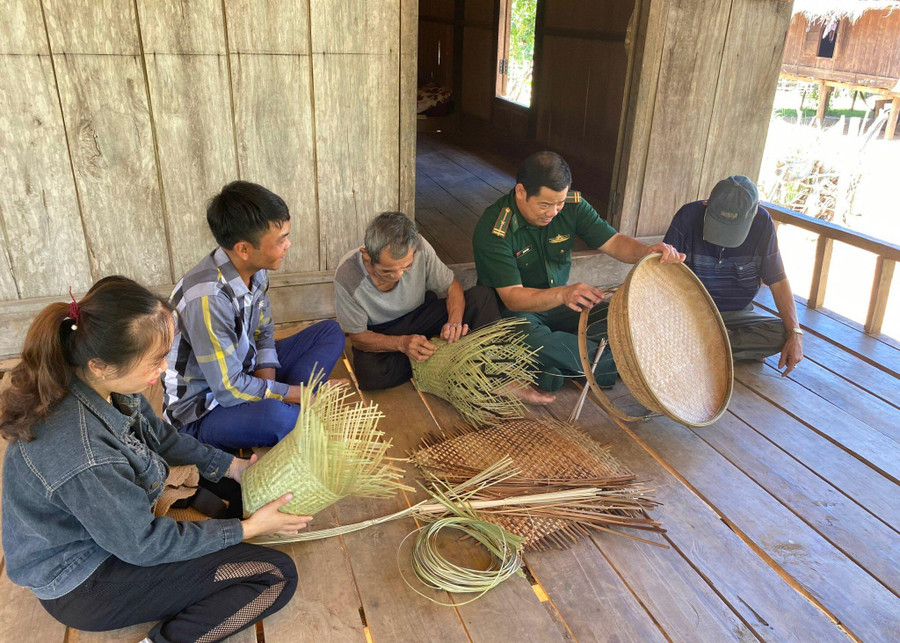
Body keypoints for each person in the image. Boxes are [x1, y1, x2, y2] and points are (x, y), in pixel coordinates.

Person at [0, 276, 309, 643]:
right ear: (101, 364)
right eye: (155, 361)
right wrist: (247, 530)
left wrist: (234, 468)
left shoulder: (95, 381)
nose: (163, 369)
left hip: (112, 530)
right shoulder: (85, 453)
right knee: (274, 575)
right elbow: (143, 544)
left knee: (235, 488)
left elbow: (159, 437)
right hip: (84, 580)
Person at [473, 151, 685, 396]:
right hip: (515, 316)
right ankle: (630, 363)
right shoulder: (495, 228)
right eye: (544, 204)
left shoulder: (572, 206)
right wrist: (564, 293)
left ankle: (557, 365)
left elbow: (614, 242)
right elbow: (512, 297)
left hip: (561, 307)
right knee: (531, 341)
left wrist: (647, 251)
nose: (553, 212)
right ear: (521, 191)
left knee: (619, 316)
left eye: (559, 203)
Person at [163, 181, 346, 450]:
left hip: (244, 372)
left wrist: (273, 388)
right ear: (243, 249)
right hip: (204, 408)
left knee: (330, 333)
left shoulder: (256, 270)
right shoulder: (208, 298)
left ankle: (285, 405)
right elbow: (228, 389)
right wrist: (298, 394)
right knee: (280, 419)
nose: (289, 244)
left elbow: (263, 332)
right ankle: (289, 407)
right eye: (281, 239)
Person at [334, 211, 529, 396]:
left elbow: (452, 287)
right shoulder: (348, 275)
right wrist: (402, 343)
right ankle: (445, 357)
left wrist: (454, 322)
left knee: (483, 297)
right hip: (383, 330)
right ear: (367, 255)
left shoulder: (419, 246)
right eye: (387, 271)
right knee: (370, 375)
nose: (398, 276)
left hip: (420, 314)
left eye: (407, 267)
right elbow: (358, 337)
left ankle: (496, 374)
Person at [663, 175, 803, 376]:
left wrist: (796, 333)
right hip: (689, 313)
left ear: (754, 214)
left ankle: (694, 347)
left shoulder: (763, 223)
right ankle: (722, 348)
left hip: (737, 314)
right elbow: (662, 273)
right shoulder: (688, 216)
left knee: (783, 334)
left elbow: (778, 280)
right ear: (707, 204)